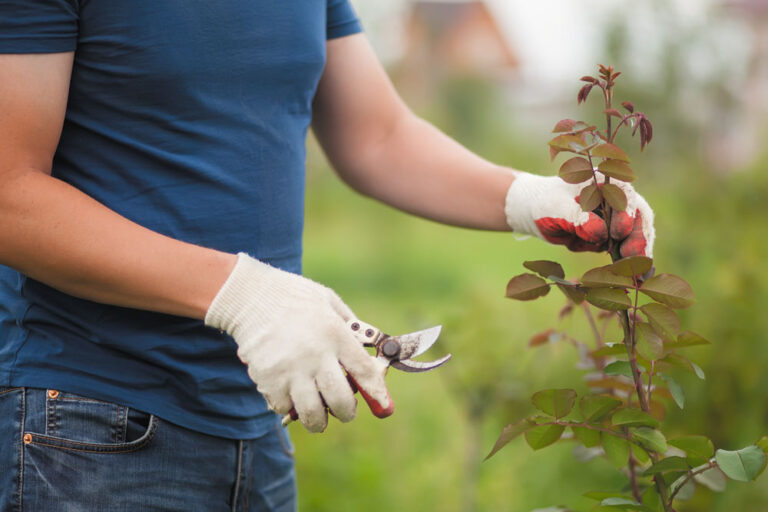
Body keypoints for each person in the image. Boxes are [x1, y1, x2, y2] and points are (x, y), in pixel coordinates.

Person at [0, 1, 654, 510]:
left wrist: (530, 198)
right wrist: (240, 293)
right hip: (86, 422)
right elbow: (9, 193)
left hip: (255, 419)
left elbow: (379, 135)